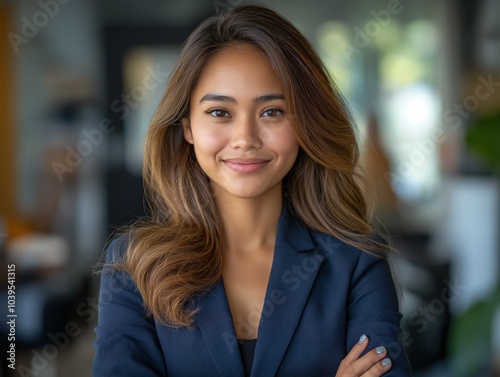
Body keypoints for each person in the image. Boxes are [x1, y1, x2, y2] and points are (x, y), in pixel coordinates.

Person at [93, 4, 412, 377]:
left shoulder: (357, 263)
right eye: (219, 112)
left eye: (272, 111)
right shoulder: (134, 266)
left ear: (305, 123)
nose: (245, 139)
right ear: (188, 128)